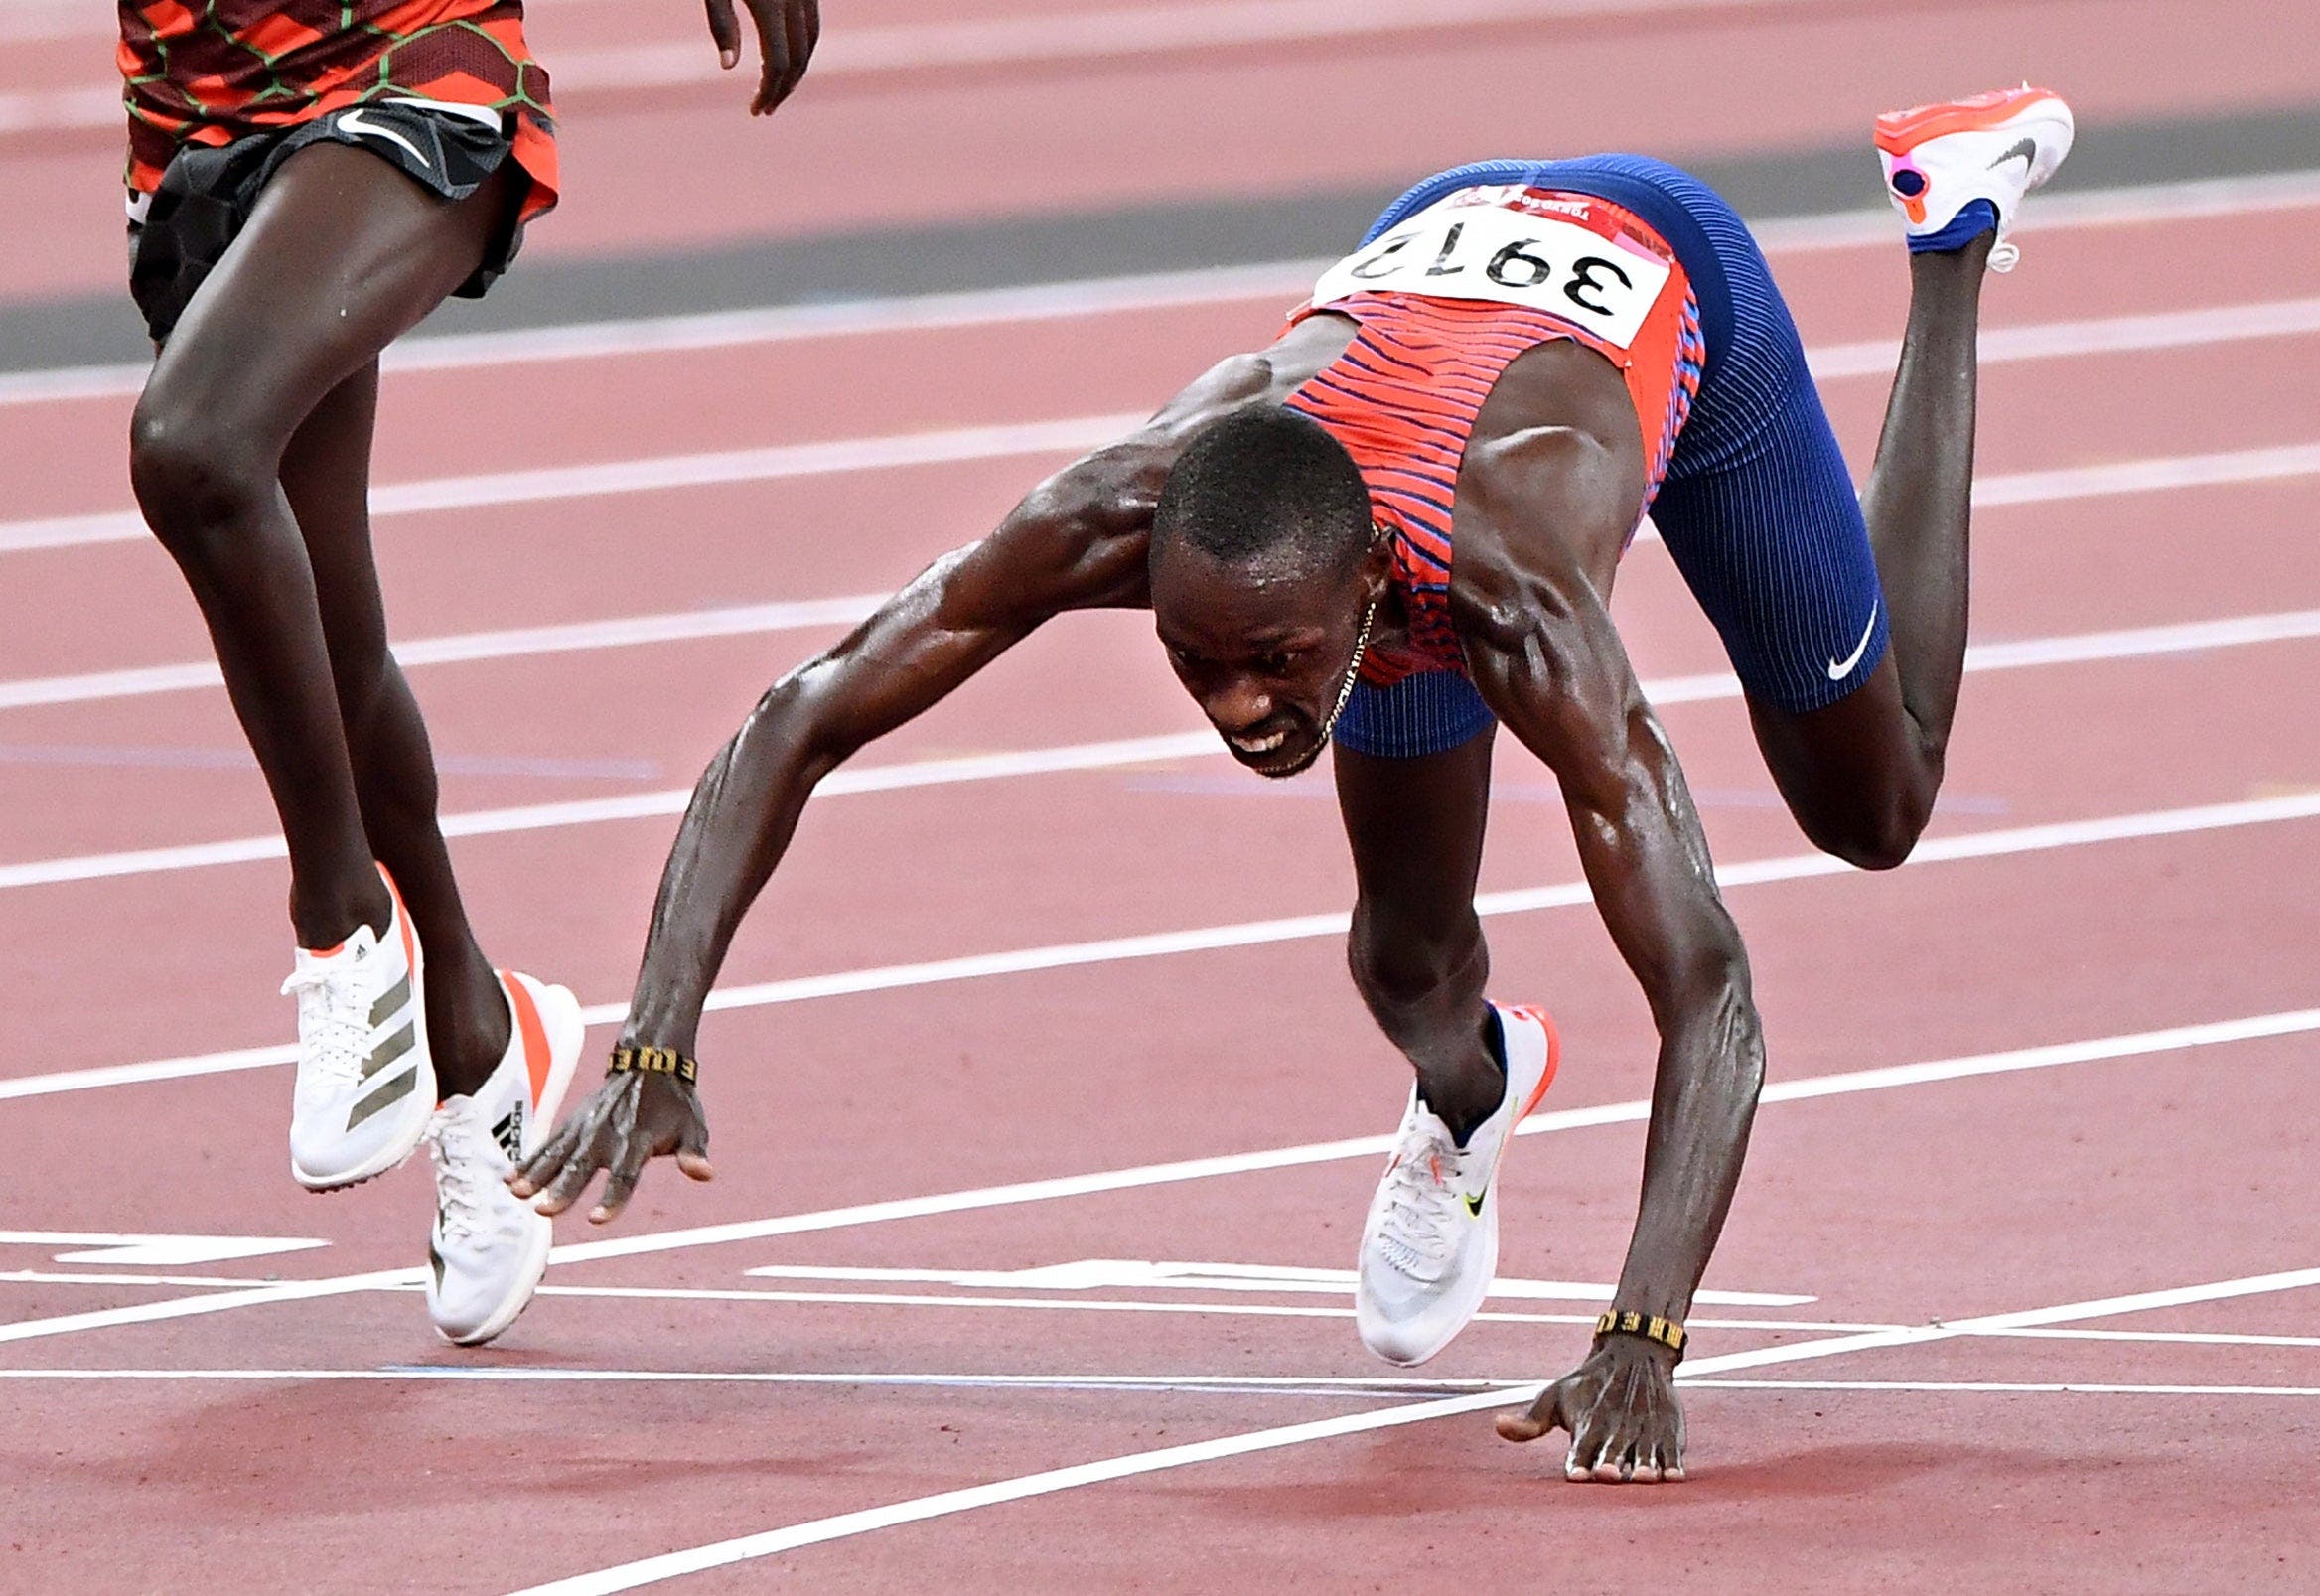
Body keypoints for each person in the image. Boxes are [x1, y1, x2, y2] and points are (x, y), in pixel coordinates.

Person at [516, 89, 2075, 1477]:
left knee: (1873, 810)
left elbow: (1713, 992)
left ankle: (1949, 237)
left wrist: (1642, 1336)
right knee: (1404, 958)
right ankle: (1474, 1087)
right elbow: (797, 715)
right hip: (1425, 266)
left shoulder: (1514, 599)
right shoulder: (1117, 511)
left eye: (1270, 661)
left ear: (1367, 601)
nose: (1236, 709)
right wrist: (657, 1035)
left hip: (1674, 296)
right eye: (1197, 662)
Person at [118, 0, 820, 1345]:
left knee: (194, 448)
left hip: (405, 66)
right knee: (328, 615)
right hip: (196, 111)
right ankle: (482, 1034)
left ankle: (344, 931)